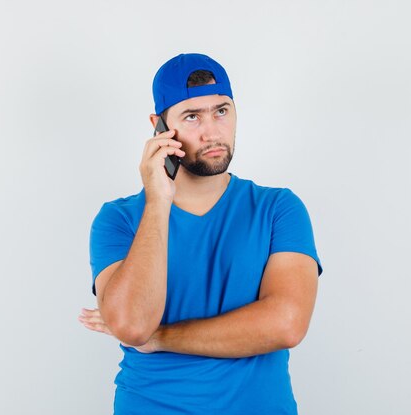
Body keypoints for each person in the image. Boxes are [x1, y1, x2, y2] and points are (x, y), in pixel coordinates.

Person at [78, 53, 323, 414]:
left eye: (221, 111)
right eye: (192, 116)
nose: (212, 132)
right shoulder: (118, 219)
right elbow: (131, 326)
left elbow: (286, 325)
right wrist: (159, 201)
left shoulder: (278, 208)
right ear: (159, 127)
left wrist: (161, 337)